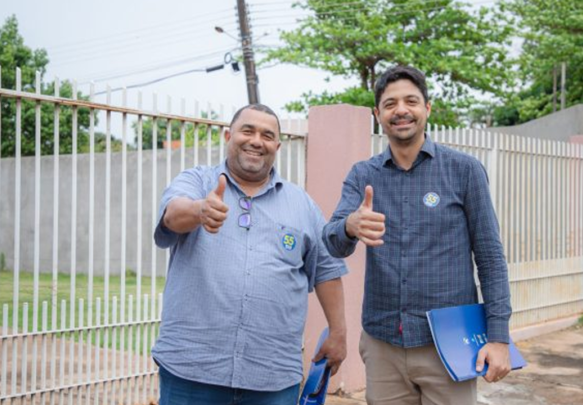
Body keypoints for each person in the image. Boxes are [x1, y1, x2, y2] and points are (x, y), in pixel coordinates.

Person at [322, 66, 512, 405]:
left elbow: (490, 257)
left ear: (427, 108)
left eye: (411, 100)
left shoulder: (464, 170)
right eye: (390, 103)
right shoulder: (363, 175)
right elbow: (333, 243)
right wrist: (350, 225)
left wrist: (499, 338)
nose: (401, 110)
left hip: (448, 346)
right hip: (383, 346)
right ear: (377, 114)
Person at [152, 104, 348, 405]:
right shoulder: (197, 182)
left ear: (277, 146)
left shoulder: (302, 204)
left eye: (267, 135)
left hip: (272, 376)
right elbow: (172, 216)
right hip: (192, 370)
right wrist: (199, 210)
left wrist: (338, 332)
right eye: (248, 131)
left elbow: (326, 269)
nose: (257, 141)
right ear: (229, 135)